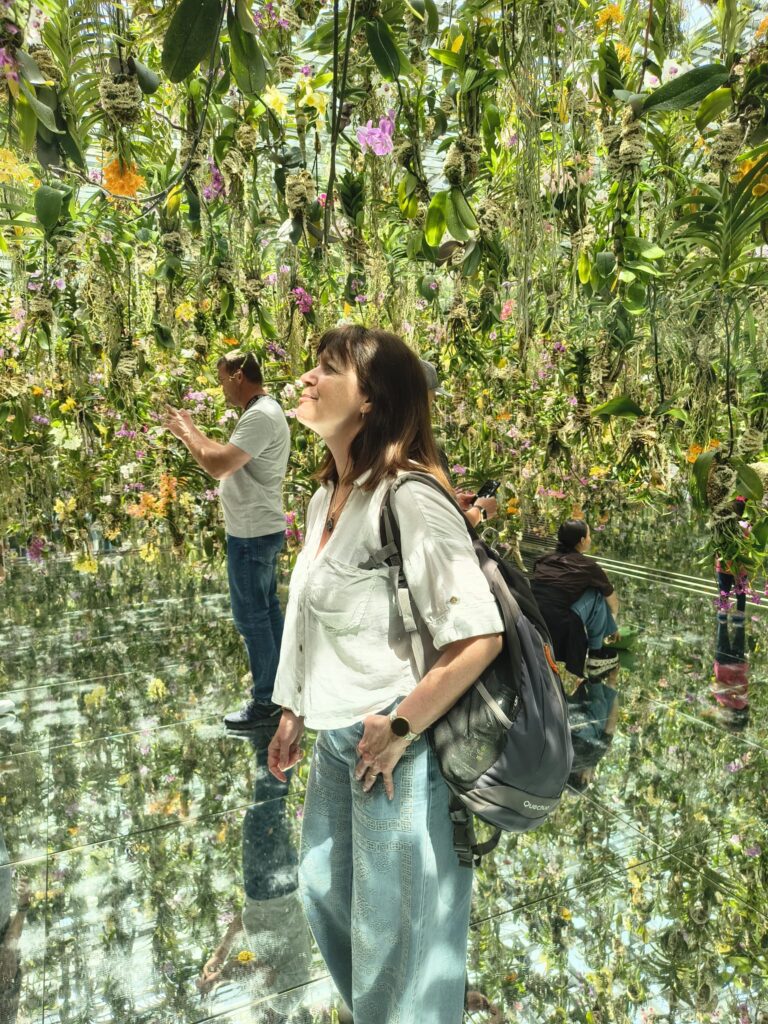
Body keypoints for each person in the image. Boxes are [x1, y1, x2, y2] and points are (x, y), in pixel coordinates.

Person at [267, 325, 504, 1024]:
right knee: (326, 892)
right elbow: (309, 616)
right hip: (341, 740)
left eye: (326, 369)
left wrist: (400, 727)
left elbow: (480, 636)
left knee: (397, 938)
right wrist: (294, 710)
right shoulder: (326, 500)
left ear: (369, 398)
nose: (307, 379)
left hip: (400, 747)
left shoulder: (409, 498)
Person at [164, 351, 291, 730]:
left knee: (252, 618)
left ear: (238, 376)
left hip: (252, 534)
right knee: (266, 612)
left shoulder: (260, 415)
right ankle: (281, 694)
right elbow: (224, 454)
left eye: (222, 380)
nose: (221, 389)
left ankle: (267, 701)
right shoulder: (260, 412)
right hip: (257, 529)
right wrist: (191, 428)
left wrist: (185, 435)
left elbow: (218, 466)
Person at [531, 519, 619, 679]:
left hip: (534, 620)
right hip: (562, 625)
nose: (590, 539)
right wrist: (613, 622)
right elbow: (611, 599)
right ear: (582, 540)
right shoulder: (588, 567)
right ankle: (596, 652)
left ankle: (598, 647)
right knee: (597, 593)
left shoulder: (543, 560)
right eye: (589, 535)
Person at [420, 359, 497, 530]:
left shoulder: (376, 449)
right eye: (432, 398)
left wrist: (451, 500)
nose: (432, 405)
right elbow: (445, 529)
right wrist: (479, 512)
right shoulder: (423, 451)